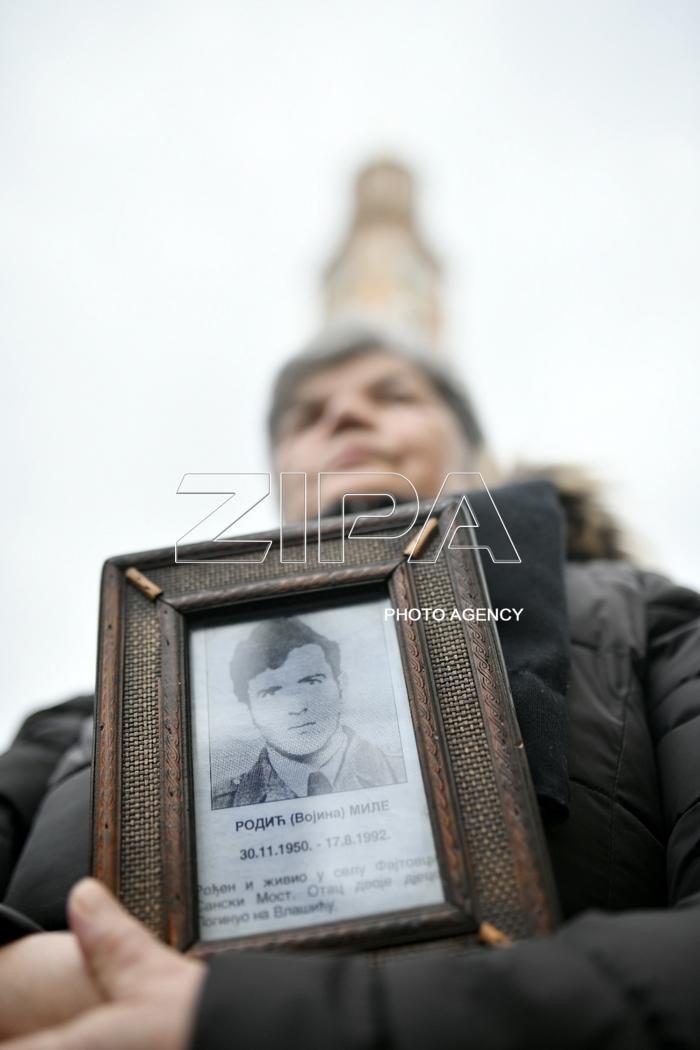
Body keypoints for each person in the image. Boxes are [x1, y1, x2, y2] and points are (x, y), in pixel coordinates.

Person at [0, 320, 699, 1050]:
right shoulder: (84, 718)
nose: (344, 414)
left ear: (476, 457)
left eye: (393, 395)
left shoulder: (641, 618)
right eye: (307, 416)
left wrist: (242, 1020)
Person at [212, 616, 405, 808]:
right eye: (270, 693)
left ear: (341, 686)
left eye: (312, 682)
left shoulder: (404, 771)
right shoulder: (223, 803)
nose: (297, 708)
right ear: (249, 709)